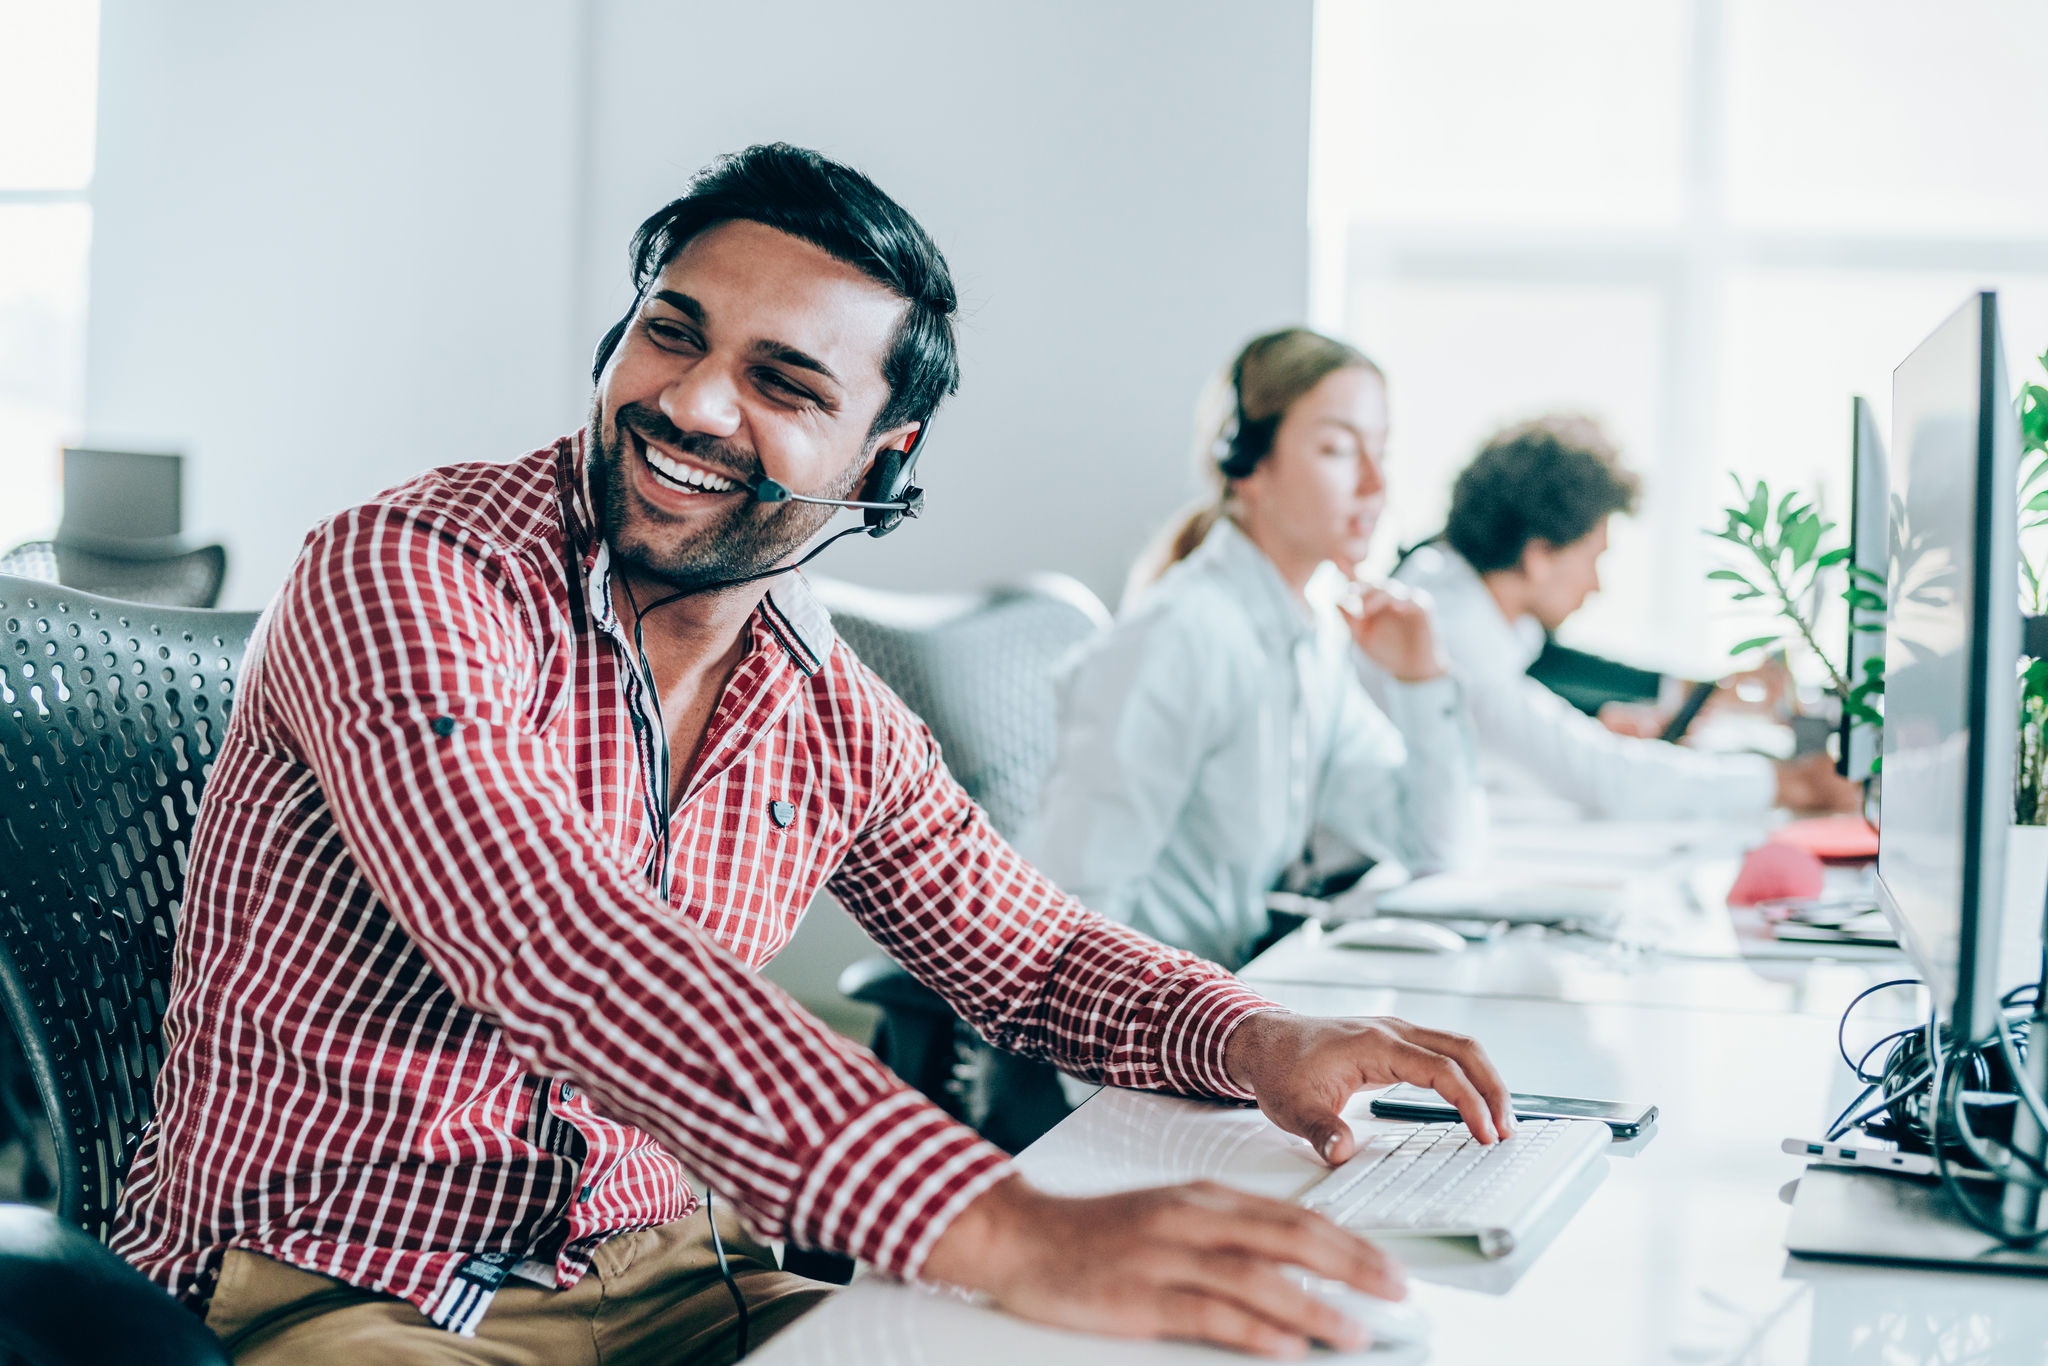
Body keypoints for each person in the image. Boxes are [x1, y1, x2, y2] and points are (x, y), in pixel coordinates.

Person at [108, 146, 1515, 1363]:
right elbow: (546, 937)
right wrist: (999, 1224)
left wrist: (1255, 1035)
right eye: (672, 335)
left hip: (680, 1285)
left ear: (878, 463)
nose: (700, 405)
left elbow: (1029, 954)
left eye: (783, 382)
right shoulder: (406, 574)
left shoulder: (821, 702)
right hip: (349, 1286)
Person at [1028, 328, 1482, 972]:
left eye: (1382, 450)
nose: (1375, 482)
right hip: (1140, 1039)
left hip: (1228, 1009)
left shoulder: (1309, 639)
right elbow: (1074, 917)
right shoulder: (1180, 637)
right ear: (1248, 466)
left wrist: (1423, 681)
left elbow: (1437, 847)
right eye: (1337, 449)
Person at [1394, 414, 1860, 819]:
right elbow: (1606, 781)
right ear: (1540, 555)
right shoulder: (1446, 628)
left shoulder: (1457, 595)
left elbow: (1543, 683)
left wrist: (1689, 697)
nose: (1597, 584)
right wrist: (1790, 783)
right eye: (1595, 556)